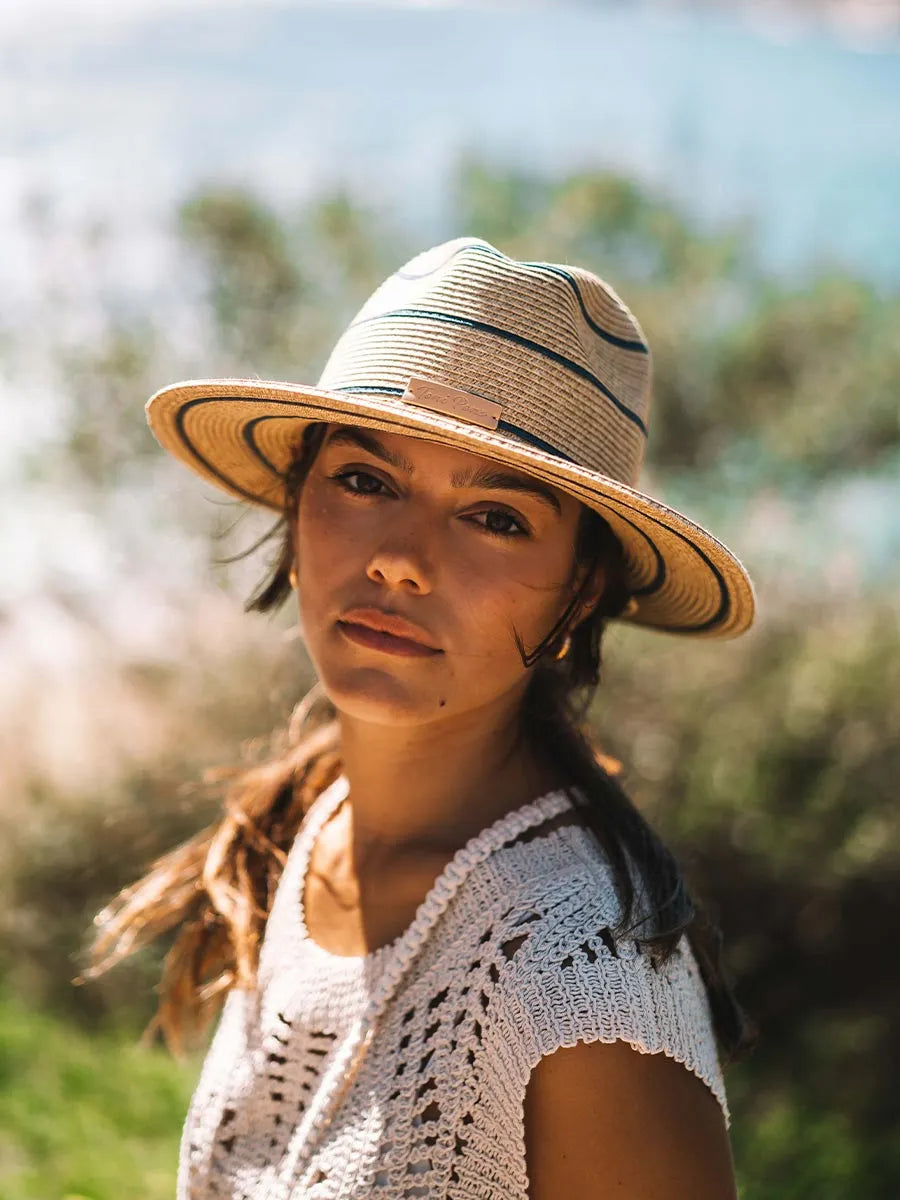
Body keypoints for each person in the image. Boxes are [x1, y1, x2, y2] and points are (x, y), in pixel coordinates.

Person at [83, 235, 757, 1198]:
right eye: (365, 480)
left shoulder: (584, 987)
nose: (402, 559)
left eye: (496, 517)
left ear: (579, 594)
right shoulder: (309, 831)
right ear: (296, 503)